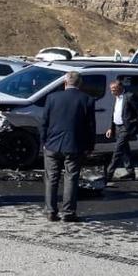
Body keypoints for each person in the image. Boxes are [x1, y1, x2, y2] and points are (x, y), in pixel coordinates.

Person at [41, 71, 96, 222]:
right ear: (80, 84)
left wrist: (43, 142)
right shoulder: (87, 100)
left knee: (51, 178)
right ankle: (68, 213)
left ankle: (51, 211)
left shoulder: (52, 98)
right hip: (74, 145)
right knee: (71, 178)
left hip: (52, 144)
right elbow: (90, 126)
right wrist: (90, 146)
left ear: (65, 83)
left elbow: (44, 122)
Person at [104, 79, 138, 181]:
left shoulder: (129, 96)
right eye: (111, 90)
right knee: (125, 151)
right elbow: (114, 113)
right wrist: (110, 128)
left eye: (114, 89)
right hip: (117, 127)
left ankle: (108, 174)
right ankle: (131, 172)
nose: (112, 92)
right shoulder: (117, 97)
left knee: (117, 151)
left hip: (126, 128)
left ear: (120, 88)